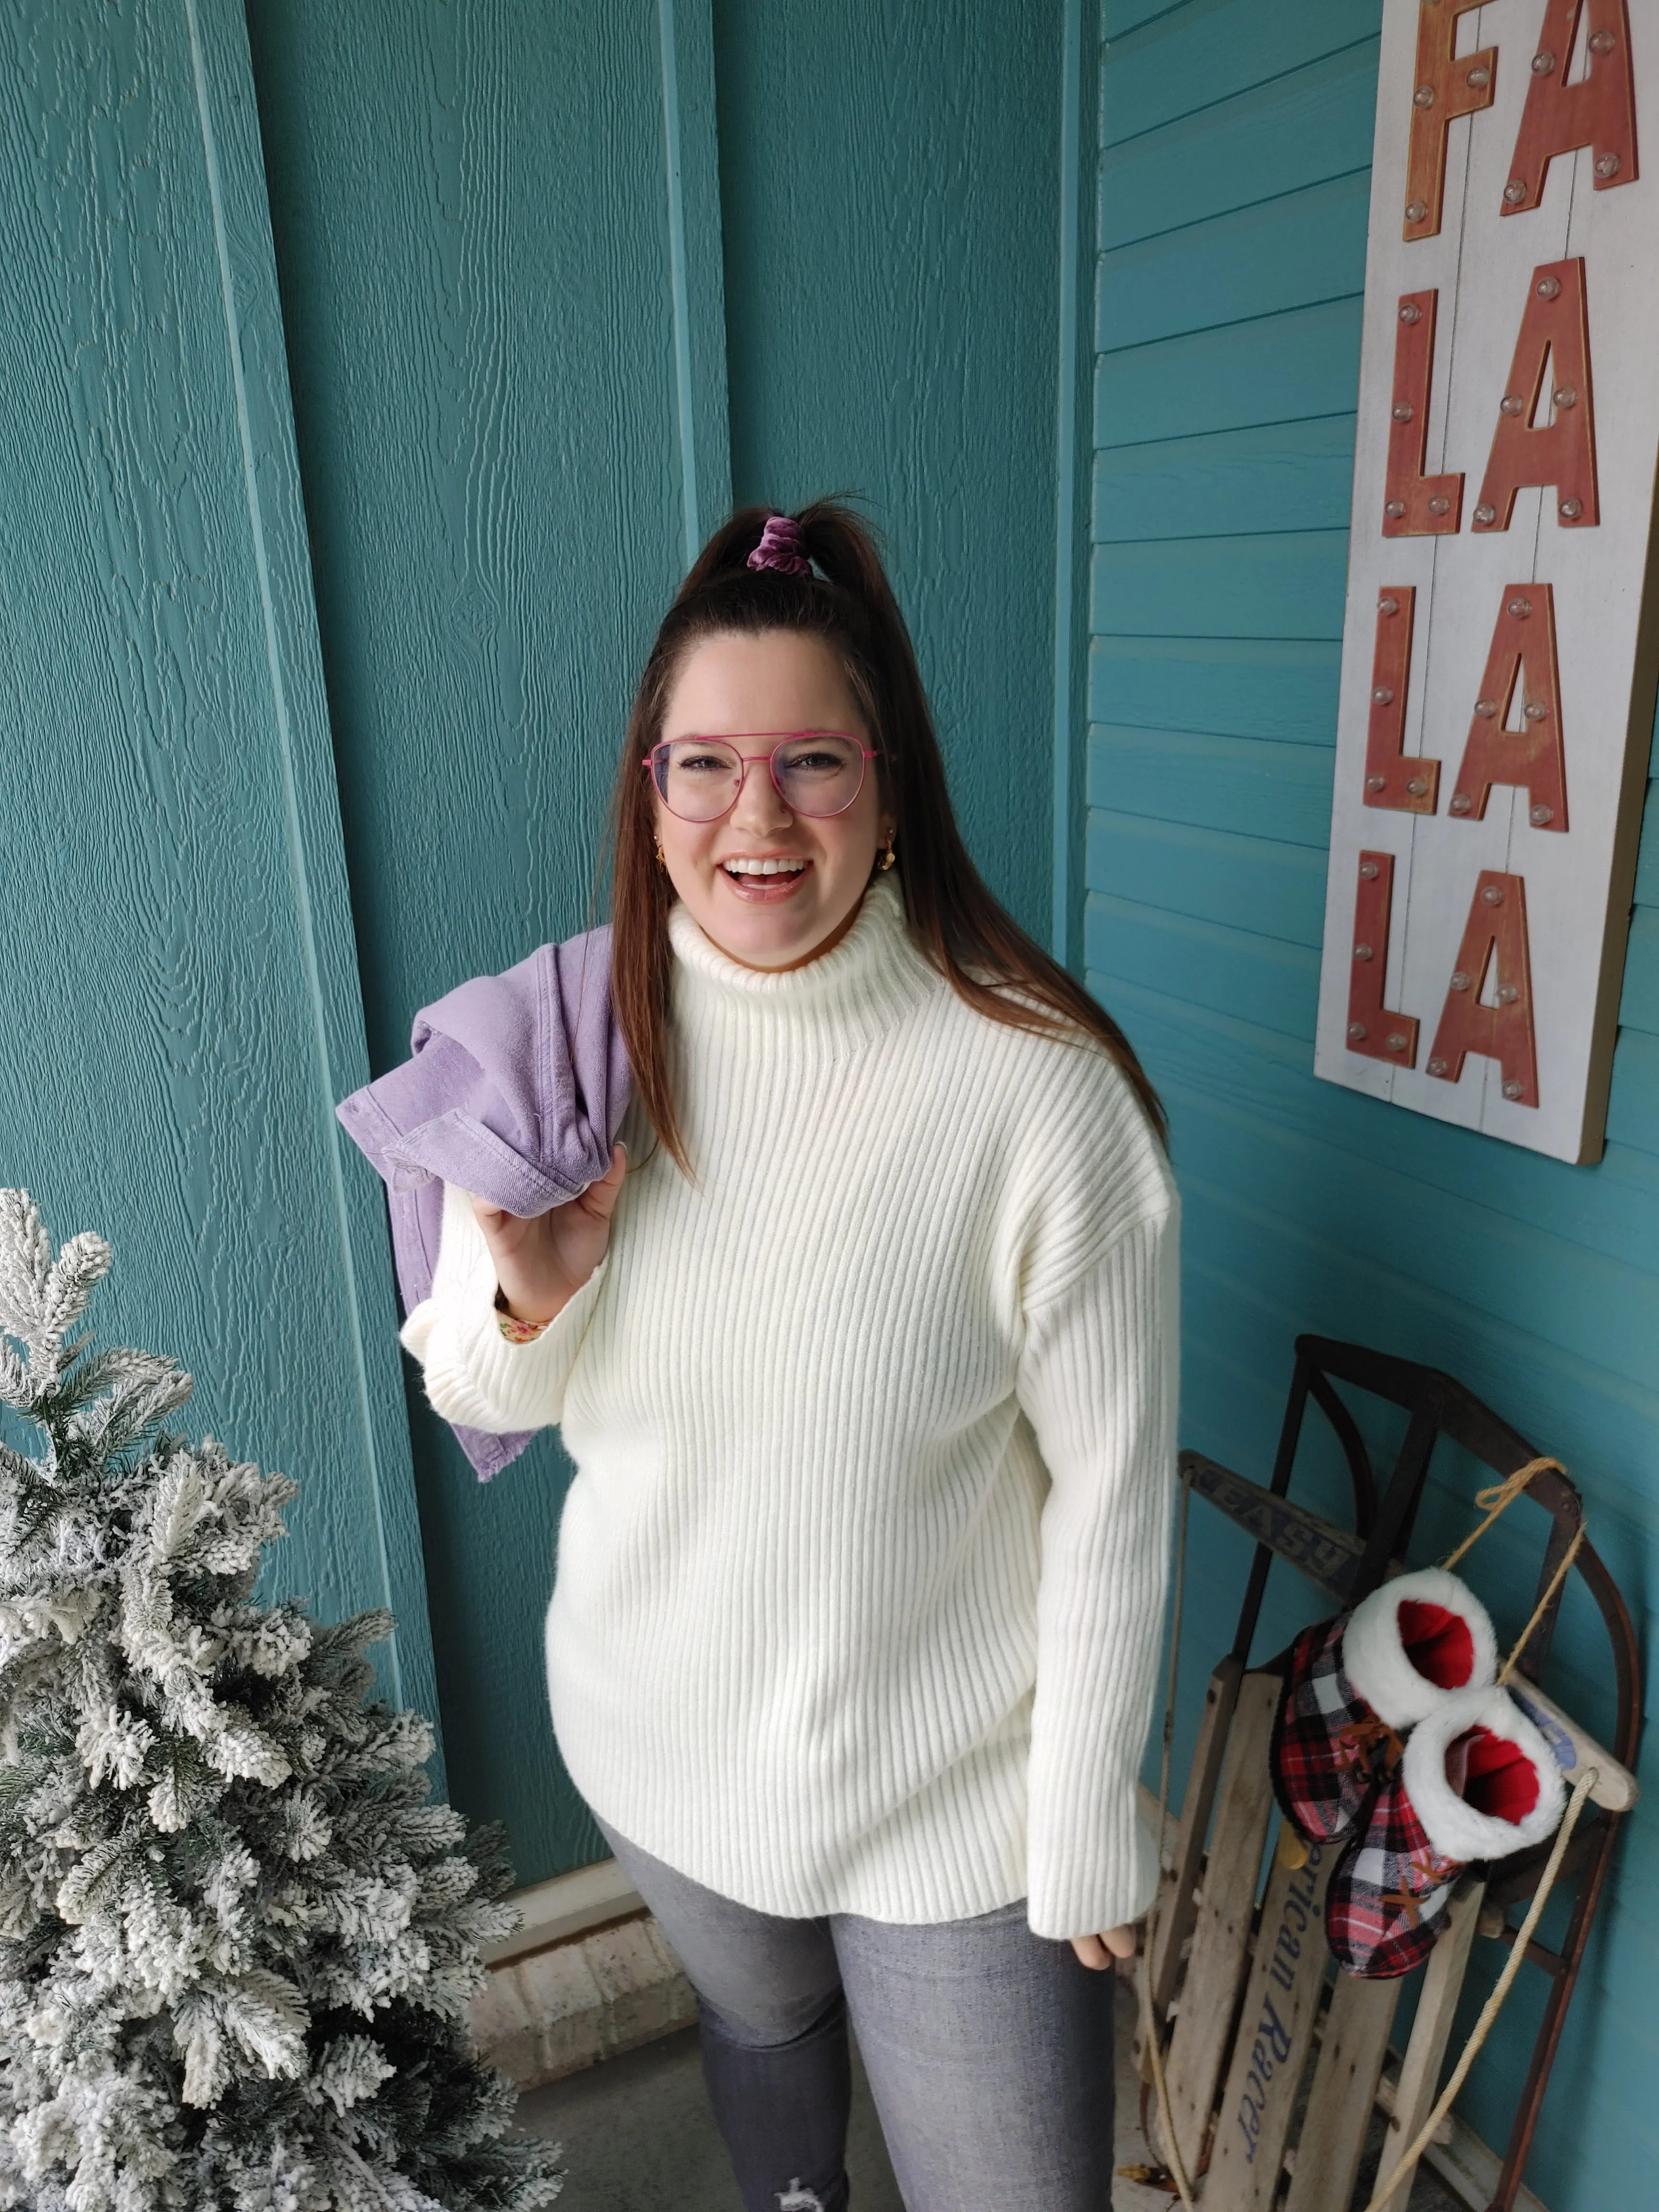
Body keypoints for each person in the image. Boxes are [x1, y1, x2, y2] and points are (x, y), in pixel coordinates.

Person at [399, 501, 1179, 2212]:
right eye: (703, 764)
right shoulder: (563, 1048)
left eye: (813, 763)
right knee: (762, 2053)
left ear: (889, 792)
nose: (755, 817)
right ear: (650, 791)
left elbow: (1114, 1492)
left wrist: (1086, 1812)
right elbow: (481, 1391)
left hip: (949, 1798)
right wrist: (534, 1286)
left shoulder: (1041, 1097)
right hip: (664, 1756)